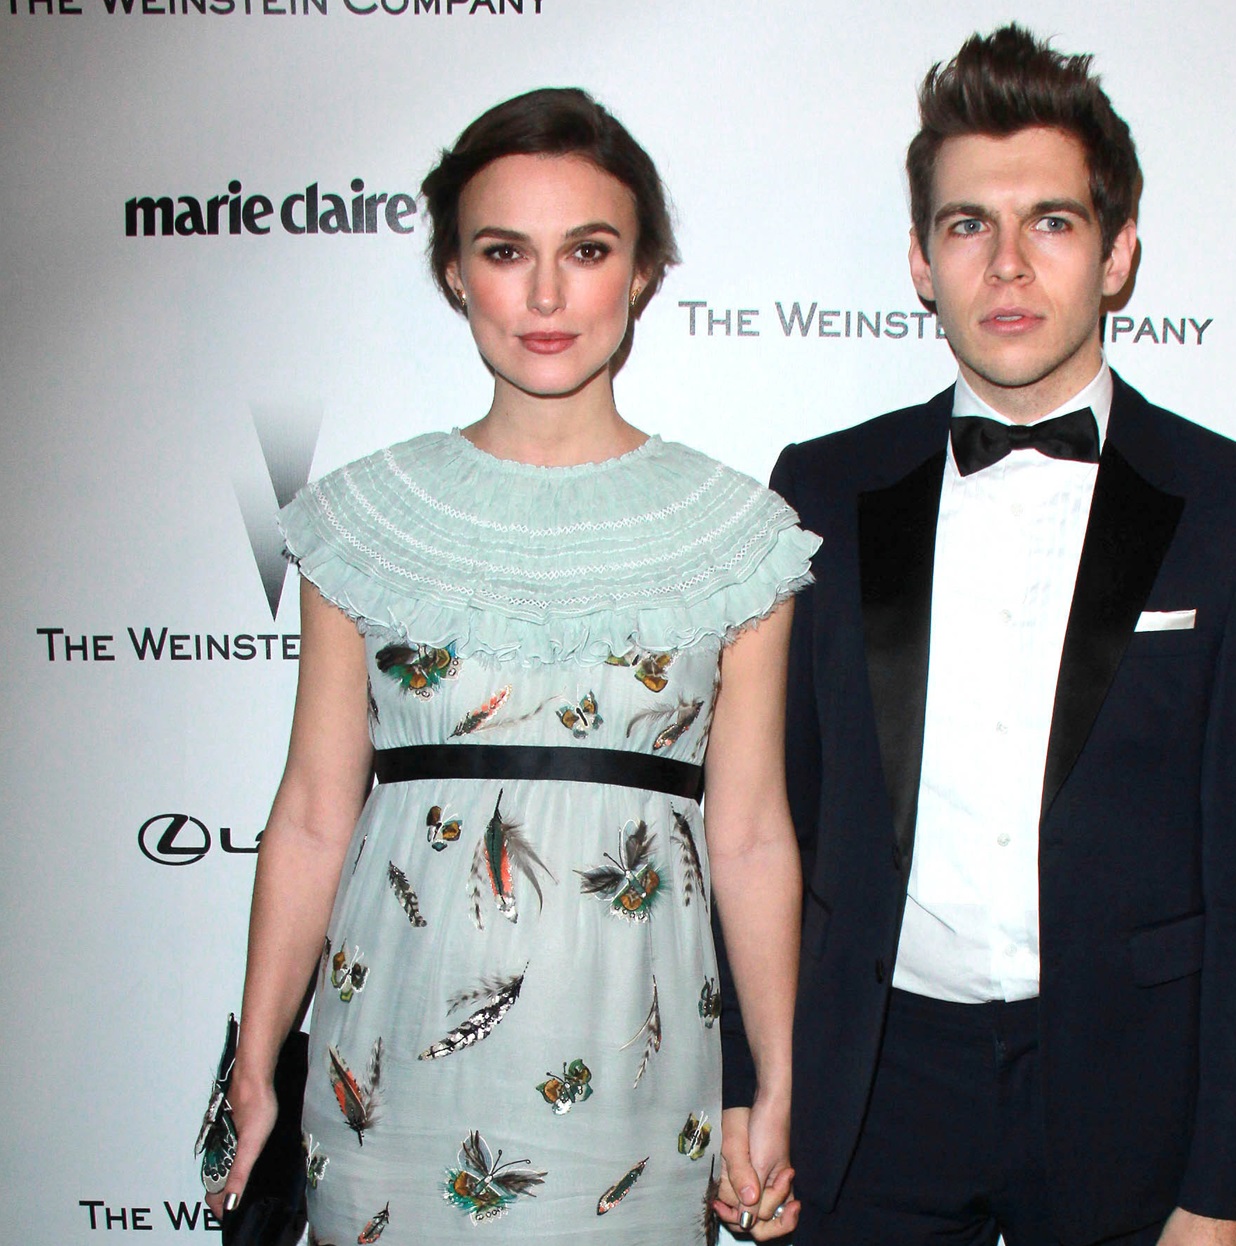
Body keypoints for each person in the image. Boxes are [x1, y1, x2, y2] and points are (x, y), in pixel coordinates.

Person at [716, 25, 1236, 1246]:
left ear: (1118, 254)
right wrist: (750, 1077)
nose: (1006, 267)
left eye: (1049, 222)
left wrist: (1229, 1183)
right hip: (869, 1086)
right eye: (965, 226)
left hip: (1128, 1091)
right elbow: (771, 816)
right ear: (921, 263)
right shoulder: (820, 490)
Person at [203, 88, 811, 1244]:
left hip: (638, 1082)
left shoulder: (736, 532)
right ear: (453, 275)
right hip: (386, 1065)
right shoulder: (360, 519)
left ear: (640, 275)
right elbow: (317, 814)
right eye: (503, 252)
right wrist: (256, 1054)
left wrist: (772, 1081)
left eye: (586, 251)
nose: (544, 296)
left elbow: (750, 833)